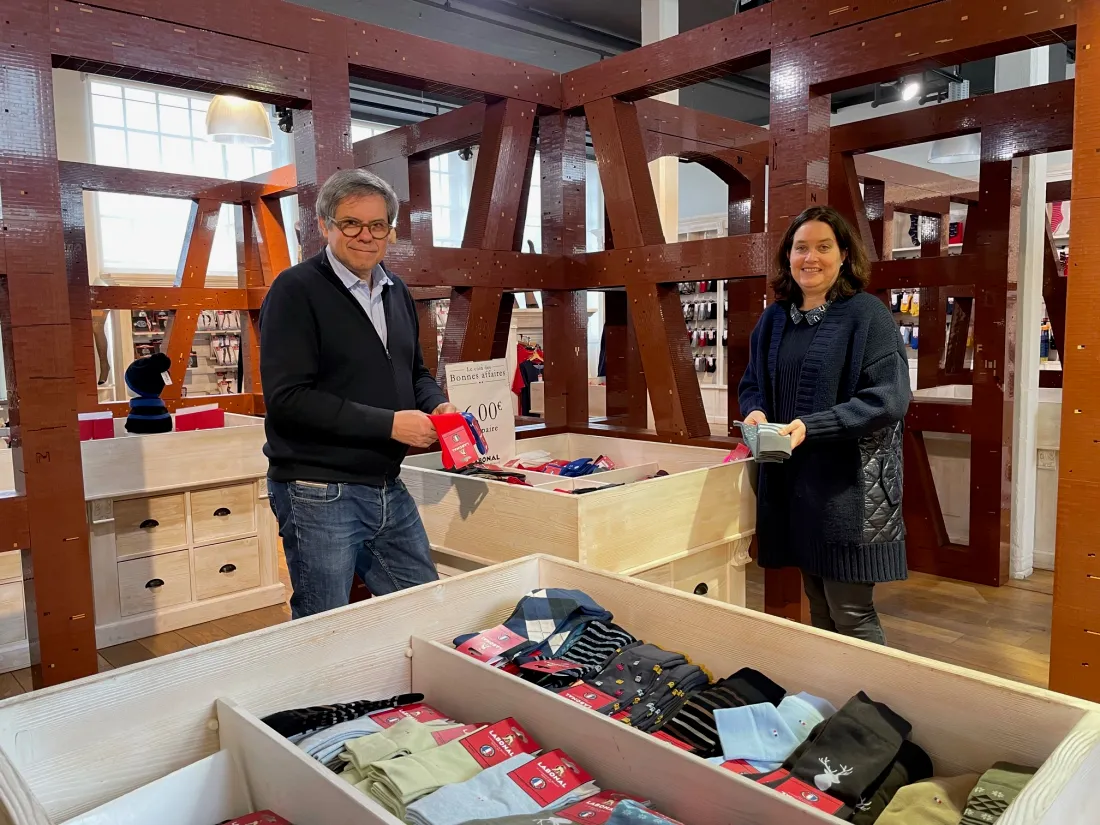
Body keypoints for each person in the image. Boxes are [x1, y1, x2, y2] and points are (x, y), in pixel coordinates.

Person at [260, 168, 456, 619]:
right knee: (324, 622)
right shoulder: (296, 290)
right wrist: (391, 424)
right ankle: (319, 693)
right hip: (317, 489)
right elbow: (289, 400)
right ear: (325, 225)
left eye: (378, 224)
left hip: (386, 483)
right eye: (351, 223)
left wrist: (436, 403)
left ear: (390, 229)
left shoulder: (396, 290)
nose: (366, 236)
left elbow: (416, 373)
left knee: (425, 609)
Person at [738, 206, 910, 644]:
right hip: (795, 487)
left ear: (844, 254)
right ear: (787, 256)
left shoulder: (866, 315)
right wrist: (755, 410)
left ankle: (868, 708)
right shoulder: (774, 319)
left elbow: (889, 398)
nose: (809, 258)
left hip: (848, 492)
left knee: (851, 613)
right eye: (800, 248)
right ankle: (831, 702)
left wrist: (812, 426)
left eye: (823, 247)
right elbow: (753, 383)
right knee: (819, 607)